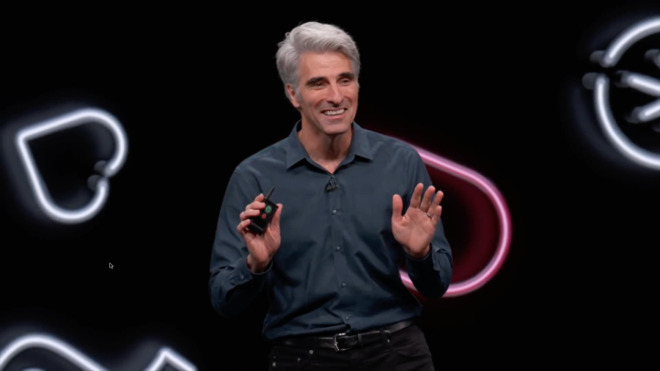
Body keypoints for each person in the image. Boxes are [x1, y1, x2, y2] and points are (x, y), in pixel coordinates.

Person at [208, 20, 453, 370]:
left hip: (397, 354)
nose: (336, 96)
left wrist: (420, 253)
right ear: (293, 94)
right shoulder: (255, 176)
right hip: (302, 358)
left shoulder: (401, 162)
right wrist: (256, 266)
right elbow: (223, 300)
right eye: (318, 83)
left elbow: (437, 284)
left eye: (345, 79)